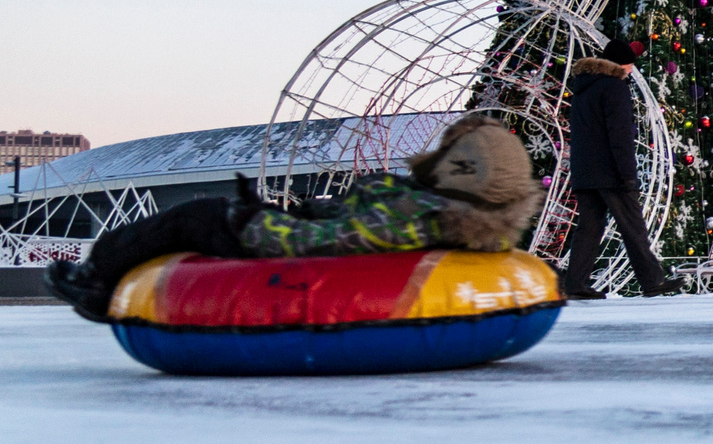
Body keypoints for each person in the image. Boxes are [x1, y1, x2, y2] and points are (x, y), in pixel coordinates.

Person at [45, 116, 541, 323]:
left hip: (269, 244)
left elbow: (327, 243)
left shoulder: (419, 215)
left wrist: (251, 220)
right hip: (290, 226)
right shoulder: (439, 210)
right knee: (199, 218)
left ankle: (96, 280)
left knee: (193, 217)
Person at [563, 37, 674, 298]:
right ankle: (653, 280)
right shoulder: (614, 88)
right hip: (611, 172)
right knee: (632, 225)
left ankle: (575, 284)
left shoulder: (582, 89)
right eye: (630, 64)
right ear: (620, 65)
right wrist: (627, 175)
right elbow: (620, 134)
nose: (632, 70)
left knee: (589, 228)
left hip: (585, 171)